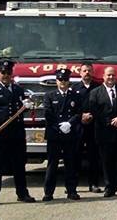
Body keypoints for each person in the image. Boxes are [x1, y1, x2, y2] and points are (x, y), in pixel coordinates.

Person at [0, 59, 36, 206]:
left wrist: (28, 106)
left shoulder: (18, 90)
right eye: (3, 72)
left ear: (12, 73)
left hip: (16, 134)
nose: (6, 75)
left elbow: (23, 108)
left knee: (19, 165)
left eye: (8, 72)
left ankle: (22, 194)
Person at [86, 66, 117, 201]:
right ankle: (110, 186)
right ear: (103, 76)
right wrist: (109, 122)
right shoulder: (95, 93)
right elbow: (94, 110)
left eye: (113, 75)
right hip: (104, 133)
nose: (111, 78)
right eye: (108, 75)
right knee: (107, 162)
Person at [41, 68, 83, 201]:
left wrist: (69, 124)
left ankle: (71, 191)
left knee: (70, 164)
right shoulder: (49, 96)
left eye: (65, 80)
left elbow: (79, 112)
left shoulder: (75, 96)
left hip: (70, 134)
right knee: (52, 165)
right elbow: (48, 114)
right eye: (60, 80)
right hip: (54, 134)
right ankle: (48, 192)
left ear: (69, 81)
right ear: (56, 81)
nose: (63, 82)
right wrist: (59, 126)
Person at [74, 62, 102, 193]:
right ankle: (72, 185)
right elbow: (71, 108)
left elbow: (102, 106)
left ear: (93, 73)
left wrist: (92, 116)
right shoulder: (74, 88)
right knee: (75, 156)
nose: (87, 73)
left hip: (94, 127)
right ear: (80, 73)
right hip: (78, 127)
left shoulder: (98, 88)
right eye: (84, 71)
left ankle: (93, 184)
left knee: (93, 157)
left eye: (89, 71)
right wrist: (81, 116)